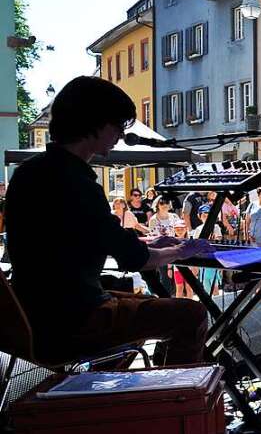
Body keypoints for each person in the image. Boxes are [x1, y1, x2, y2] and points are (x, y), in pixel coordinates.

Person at [4, 76, 210, 365]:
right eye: (118, 125)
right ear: (95, 124)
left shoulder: (29, 173)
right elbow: (134, 258)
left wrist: (149, 241)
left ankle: (122, 386)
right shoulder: (77, 182)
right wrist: (181, 250)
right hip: (74, 318)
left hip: (32, 311)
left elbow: (78, 237)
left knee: (135, 301)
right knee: (192, 315)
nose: (120, 135)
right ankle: (174, 400)